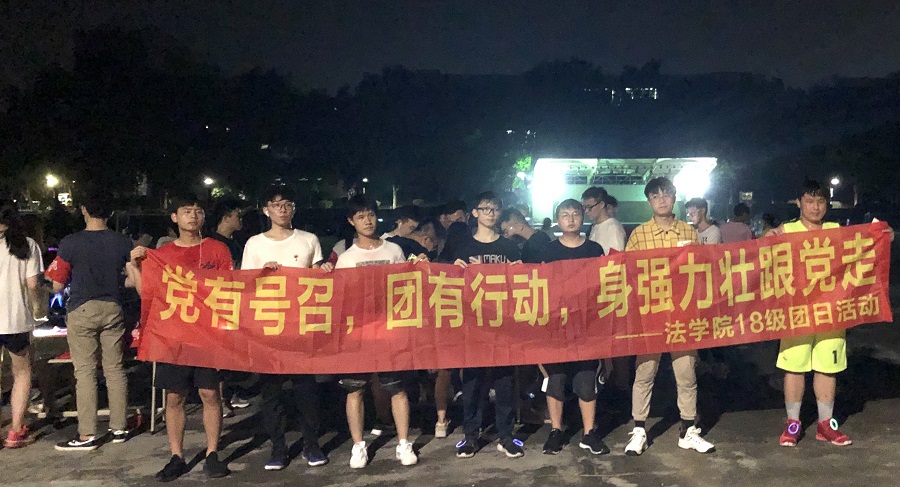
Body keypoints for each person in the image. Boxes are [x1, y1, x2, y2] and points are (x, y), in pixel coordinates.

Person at [764, 179, 894, 447]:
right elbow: (760, 255)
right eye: (809, 201)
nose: (815, 207)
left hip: (831, 313)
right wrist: (767, 238)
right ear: (799, 203)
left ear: (827, 204)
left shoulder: (837, 231)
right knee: (794, 368)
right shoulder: (787, 231)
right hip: (797, 312)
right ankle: (793, 424)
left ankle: (826, 425)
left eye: (821, 201)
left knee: (827, 368)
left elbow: (865, 246)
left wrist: (884, 236)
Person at [129, 196, 232, 481]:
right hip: (174, 337)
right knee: (174, 397)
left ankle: (212, 453)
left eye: (198, 211)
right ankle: (177, 455)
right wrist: (135, 267)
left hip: (208, 335)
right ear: (174, 217)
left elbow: (231, 288)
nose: (193, 216)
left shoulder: (217, 249)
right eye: (187, 211)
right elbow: (147, 294)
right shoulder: (163, 253)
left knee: (210, 393)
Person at [623, 177, 715, 456]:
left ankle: (688, 430)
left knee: (686, 373)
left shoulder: (688, 231)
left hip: (682, 313)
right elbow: (628, 272)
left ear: (674, 198)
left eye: (666, 195)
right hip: (651, 314)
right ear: (648, 201)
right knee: (645, 372)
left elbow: (700, 270)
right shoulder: (639, 234)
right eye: (655, 196)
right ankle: (639, 429)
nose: (661, 200)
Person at [241, 187, 330, 471]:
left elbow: (317, 280)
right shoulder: (255, 244)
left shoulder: (308, 239)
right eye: (276, 204)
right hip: (268, 328)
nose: (282, 209)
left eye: (287, 204)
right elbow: (245, 284)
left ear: (293, 208)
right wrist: (263, 273)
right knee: (272, 393)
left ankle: (311, 444)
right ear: (266, 210)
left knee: (306, 390)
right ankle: (278, 448)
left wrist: (324, 271)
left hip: (301, 326)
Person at [334, 195, 418, 468]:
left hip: (390, 329)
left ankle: (403, 442)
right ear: (352, 221)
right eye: (361, 216)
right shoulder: (347, 258)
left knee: (396, 387)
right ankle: (358, 445)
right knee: (355, 389)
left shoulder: (393, 250)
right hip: (358, 333)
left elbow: (406, 285)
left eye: (370, 214)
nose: (367, 221)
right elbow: (340, 298)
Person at [45, 191, 132, 452]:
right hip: (113, 307)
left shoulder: (71, 243)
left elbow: (57, 284)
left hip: (82, 308)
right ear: (111, 213)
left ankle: (87, 434)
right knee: (115, 369)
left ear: (84, 210)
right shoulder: (122, 241)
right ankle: (119, 427)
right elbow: (131, 277)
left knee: (85, 372)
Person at [453, 191, 524, 459]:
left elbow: (521, 285)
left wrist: (520, 271)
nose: (491, 214)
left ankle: (506, 436)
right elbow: (448, 283)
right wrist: (454, 269)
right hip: (473, 327)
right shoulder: (464, 247)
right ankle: (471, 436)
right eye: (485, 209)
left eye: (495, 209)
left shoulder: (508, 247)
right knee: (473, 384)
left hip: (502, 325)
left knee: (505, 383)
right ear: (474, 213)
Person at [539, 199, 609, 456]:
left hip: (587, 325)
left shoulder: (594, 249)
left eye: (575, 214)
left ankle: (589, 433)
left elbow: (604, 284)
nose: (570, 219)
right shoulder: (547, 251)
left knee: (586, 379)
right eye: (565, 214)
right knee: (555, 379)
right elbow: (535, 285)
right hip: (556, 326)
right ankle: (556, 430)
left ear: (583, 217)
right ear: (557, 219)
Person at [0, 205, 45, 448]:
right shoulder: (26, 245)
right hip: (15, 318)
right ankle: (15, 431)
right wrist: (37, 308)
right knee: (22, 373)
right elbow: (33, 284)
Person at [581, 187, 629, 401]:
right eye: (584, 208)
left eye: (589, 207)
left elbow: (615, 261)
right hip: (597, 293)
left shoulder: (613, 227)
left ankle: (620, 388)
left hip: (611, 293)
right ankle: (611, 383)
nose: (587, 211)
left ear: (601, 205)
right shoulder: (594, 228)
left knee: (615, 346)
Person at [208, 197, 244, 268]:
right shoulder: (212, 245)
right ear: (226, 218)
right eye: (238, 216)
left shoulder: (235, 242)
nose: (241, 219)